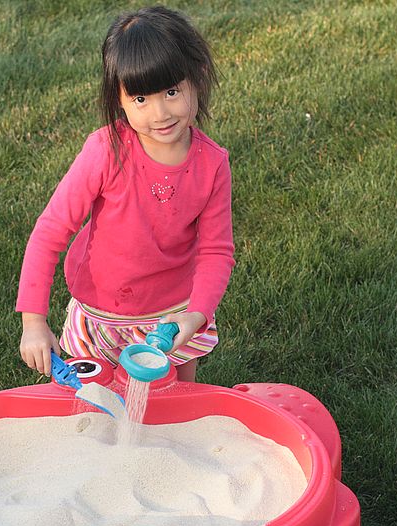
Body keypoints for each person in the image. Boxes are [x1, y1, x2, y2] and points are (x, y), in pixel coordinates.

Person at [16, 5, 234, 383]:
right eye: (140, 100)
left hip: (172, 316)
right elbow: (51, 232)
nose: (160, 113)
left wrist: (195, 314)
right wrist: (33, 322)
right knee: (91, 408)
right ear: (118, 98)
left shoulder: (212, 164)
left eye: (171, 91)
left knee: (176, 407)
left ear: (197, 78)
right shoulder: (105, 151)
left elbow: (216, 250)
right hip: (102, 312)